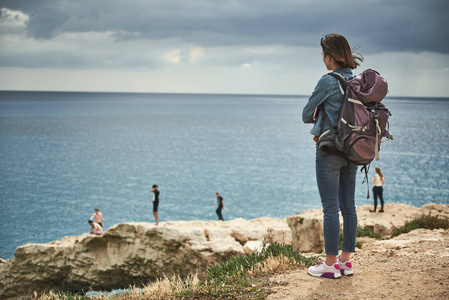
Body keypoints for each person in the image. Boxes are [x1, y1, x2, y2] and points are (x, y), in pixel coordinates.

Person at [302, 33, 363, 279]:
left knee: (330, 208)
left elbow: (306, 114)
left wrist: (319, 110)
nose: (323, 60)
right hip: (353, 149)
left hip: (330, 150)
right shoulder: (358, 80)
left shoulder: (327, 81)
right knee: (349, 205)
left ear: (329, 56)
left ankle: (329, 264)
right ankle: (345, 262)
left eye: (323, 55)